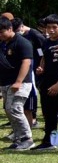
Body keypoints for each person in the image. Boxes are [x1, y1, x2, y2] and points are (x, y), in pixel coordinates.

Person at [34, 14, 58, 150]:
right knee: (49, 114)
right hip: (47, 83)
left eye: (54, 27)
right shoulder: (46, 41)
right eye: (48, 27)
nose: (51, 30)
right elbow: (44, 57)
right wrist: (41, 67)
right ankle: (48, 141)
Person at [0, 15, 35, 150]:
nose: (0, 35)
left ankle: (27, 139)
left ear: (10, 29)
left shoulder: (22, 42)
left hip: (20, 83)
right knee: (9, 110)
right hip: (6, 82)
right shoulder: (3, 44)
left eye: (2, 32)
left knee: (15, 108)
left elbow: (26, 62)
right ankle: (18, 138)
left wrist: (18, 81)